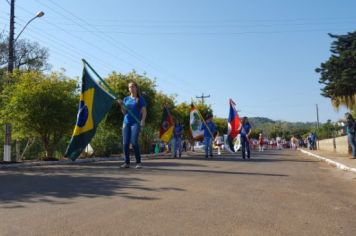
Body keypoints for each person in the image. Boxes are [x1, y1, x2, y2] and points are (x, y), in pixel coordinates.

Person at [118, 81, 147, 168]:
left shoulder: (140, 99)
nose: (131, 88)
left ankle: (138, 163)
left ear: (136, 88)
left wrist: (143, 120)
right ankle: (127, 163)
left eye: (133, 86)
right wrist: (121, 105)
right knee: (125, 143)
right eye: (130, 87)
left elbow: (144, 111)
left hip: (136, 122)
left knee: (134, 142)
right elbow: (124, 112)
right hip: (126, 122)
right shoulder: (126, 99)